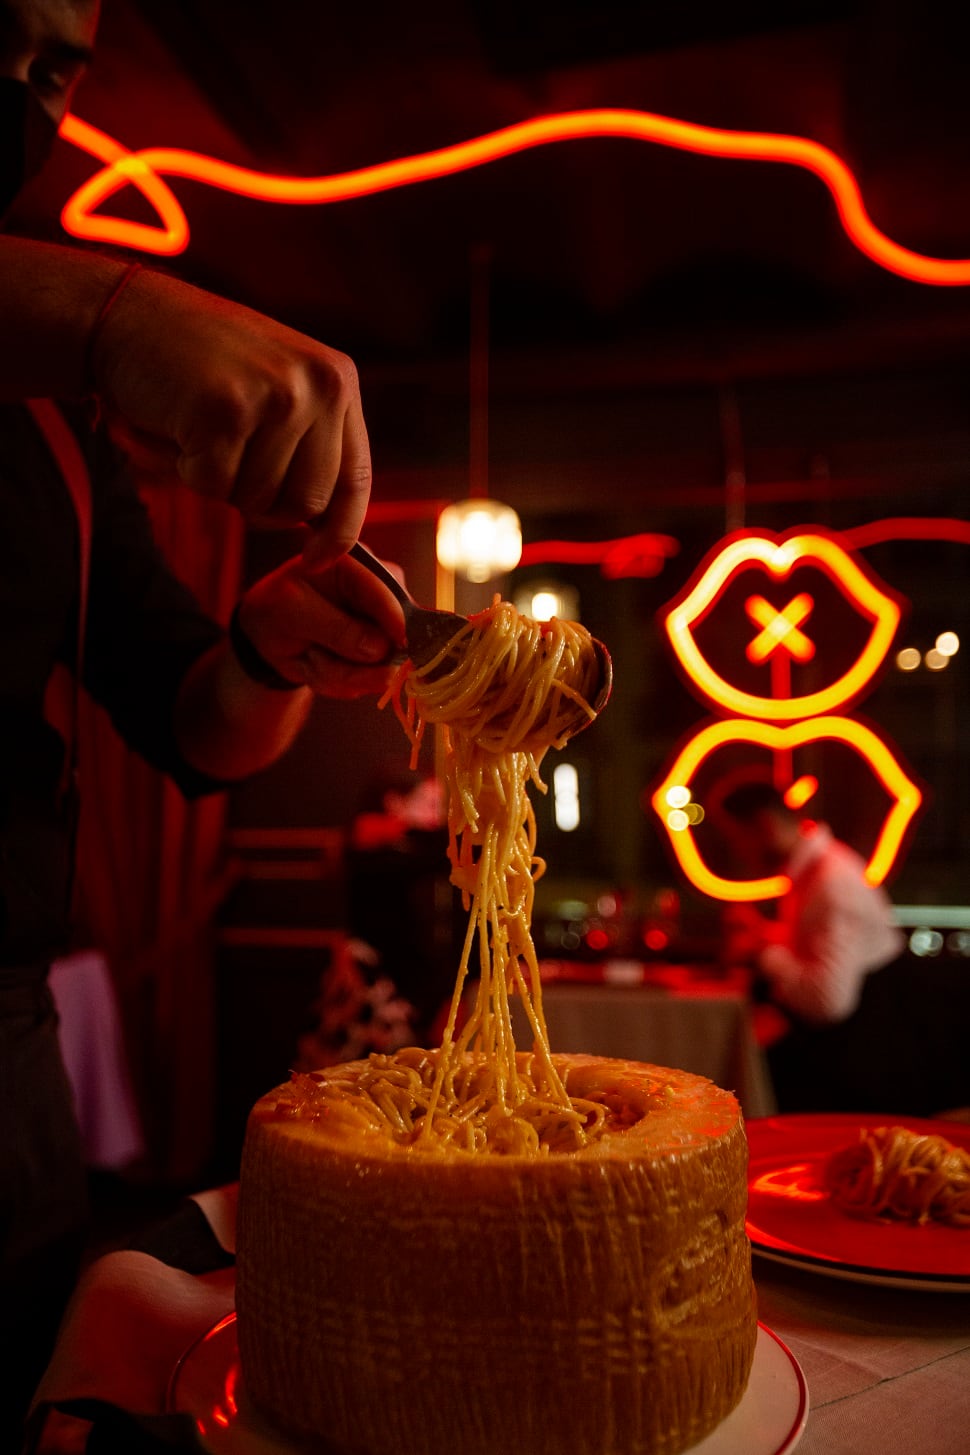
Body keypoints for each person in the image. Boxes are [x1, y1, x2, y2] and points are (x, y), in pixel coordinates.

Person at [0, 2, 407, 1441]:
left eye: (57, 63)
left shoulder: (46, 423)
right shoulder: (66, 341)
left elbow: (197, 726)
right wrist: (111, 311)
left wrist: (267, 647)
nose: (22, 89)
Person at [718, 781, 919, 1114]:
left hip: (860, 1064)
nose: (738, 851)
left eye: (737, 838)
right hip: (854, 1047)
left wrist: (762, 951)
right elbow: (815, 950)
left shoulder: (833, 884)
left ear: (765, 825)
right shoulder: (815, 872)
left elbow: (828, 1002)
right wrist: (766, 935)